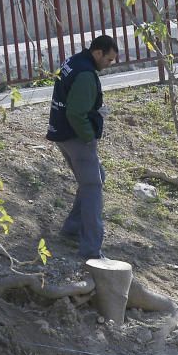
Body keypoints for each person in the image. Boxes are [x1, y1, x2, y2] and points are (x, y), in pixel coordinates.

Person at [46, 35, 119, 260]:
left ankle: (72, 228)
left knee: (98, 177)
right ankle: (91, 250)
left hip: (61, 134)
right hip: (76, 138)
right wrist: (89, 136)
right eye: (109, 59)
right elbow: (76, 113)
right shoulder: (86, 75)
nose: (109, 65)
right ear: (98, 53)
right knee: (92, 188)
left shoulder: (74, 62)